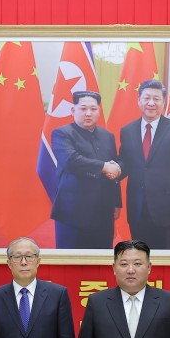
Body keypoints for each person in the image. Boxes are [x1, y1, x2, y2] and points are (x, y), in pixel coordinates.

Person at [117, 80, 170, 250]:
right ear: (139, 100)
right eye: (147, 98)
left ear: (163, 102)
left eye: (156, 99)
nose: (151, 103)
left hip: (167, 208)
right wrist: (113, 169)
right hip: (137, 207)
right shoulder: (127, 130)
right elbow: (125, 161)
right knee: (139, 256)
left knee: (166, 259)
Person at [50, 91, 122, 249]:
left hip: (103, 211)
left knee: (101, 262)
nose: (88, 113)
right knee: (71, 264)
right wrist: (103, 167)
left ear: (99, 111)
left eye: (93, 109)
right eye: (83, 108)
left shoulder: (107, 136)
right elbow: (71, 160)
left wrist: (116, 203)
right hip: (72, 212)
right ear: (73, 110)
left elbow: (113, 167)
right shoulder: (62, 133)